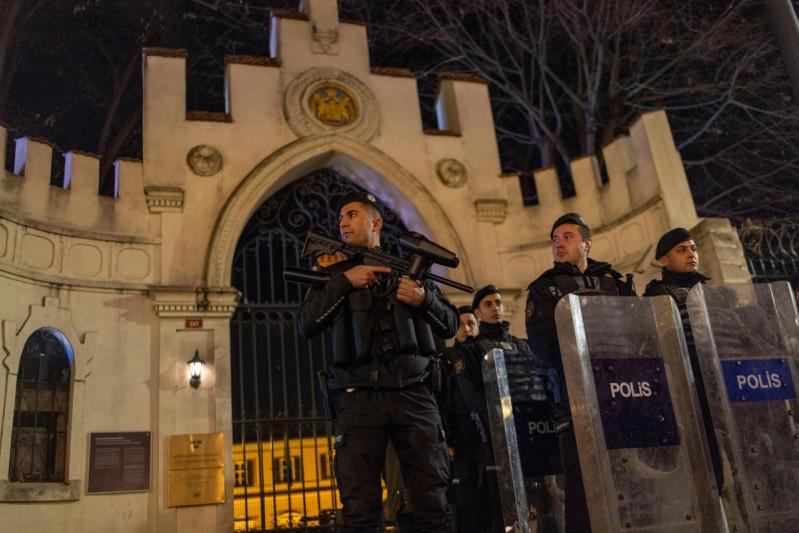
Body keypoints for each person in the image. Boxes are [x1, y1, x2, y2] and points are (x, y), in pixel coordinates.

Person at [298, 191, 457, 533]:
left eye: (352, 214)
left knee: (432, 500)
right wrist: (343, 282)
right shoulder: (335, 274)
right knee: (359, 508)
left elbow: (451, 323)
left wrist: (423, 298)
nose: (343, 221)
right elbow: (307, 324)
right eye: (340, 217)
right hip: (358, 399)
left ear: (376, 223)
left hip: (414, 394)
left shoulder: (409, 270)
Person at [525, 212, 635, 533]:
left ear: (587, 243)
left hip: (624, 396)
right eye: (555, 239)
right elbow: (543, 346)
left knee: (630, 479)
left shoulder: (615, 283)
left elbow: (638, 332)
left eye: (568, 237)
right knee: (582, 488)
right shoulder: (544, 289)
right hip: (576, 403)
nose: (559, 243)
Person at [443, 286, 540, 532]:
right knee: (492, 504)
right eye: (488, 304)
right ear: (479, 311)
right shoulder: (469, 352)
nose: (496, 308)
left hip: (529, 433)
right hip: (490, 439)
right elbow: (472, 398)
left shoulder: (522, 345)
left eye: (498, 302)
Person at [643, 227, 723, 492]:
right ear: (664, 260)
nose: (691, 254)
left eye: (693, 248)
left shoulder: (710, 291)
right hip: (684, 389)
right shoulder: (657, 294)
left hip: (717, 385)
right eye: (682, 250)